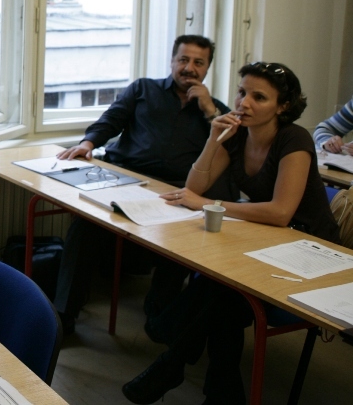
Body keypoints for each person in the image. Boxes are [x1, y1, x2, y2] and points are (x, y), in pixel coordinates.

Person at [122, 62, 340, 405]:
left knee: (222, 295)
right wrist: (213, 140)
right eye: (241, 93)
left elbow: (280, 212)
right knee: (224, 297)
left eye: (259, 97)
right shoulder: (236, 134)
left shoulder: (294, 138)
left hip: (310, 250)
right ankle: (220, 391)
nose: (244, 103)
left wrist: (210, 204)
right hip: (268, 241)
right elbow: (194, 187)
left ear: (283, 106)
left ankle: (174, 360)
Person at [54, 35, 236, 336]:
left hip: (174, 191)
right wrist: (88, 143)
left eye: (198, 62)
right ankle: (63, 317)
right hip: (127, 178)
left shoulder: (217, 112)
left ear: (207, 69)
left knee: (182, 239)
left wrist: (209, 110)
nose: (189, 68)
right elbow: (112, 119)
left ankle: (159, 318)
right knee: (84, 227)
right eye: (183, 60)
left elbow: (227, 150)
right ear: (172, 61)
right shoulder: (143, 89)